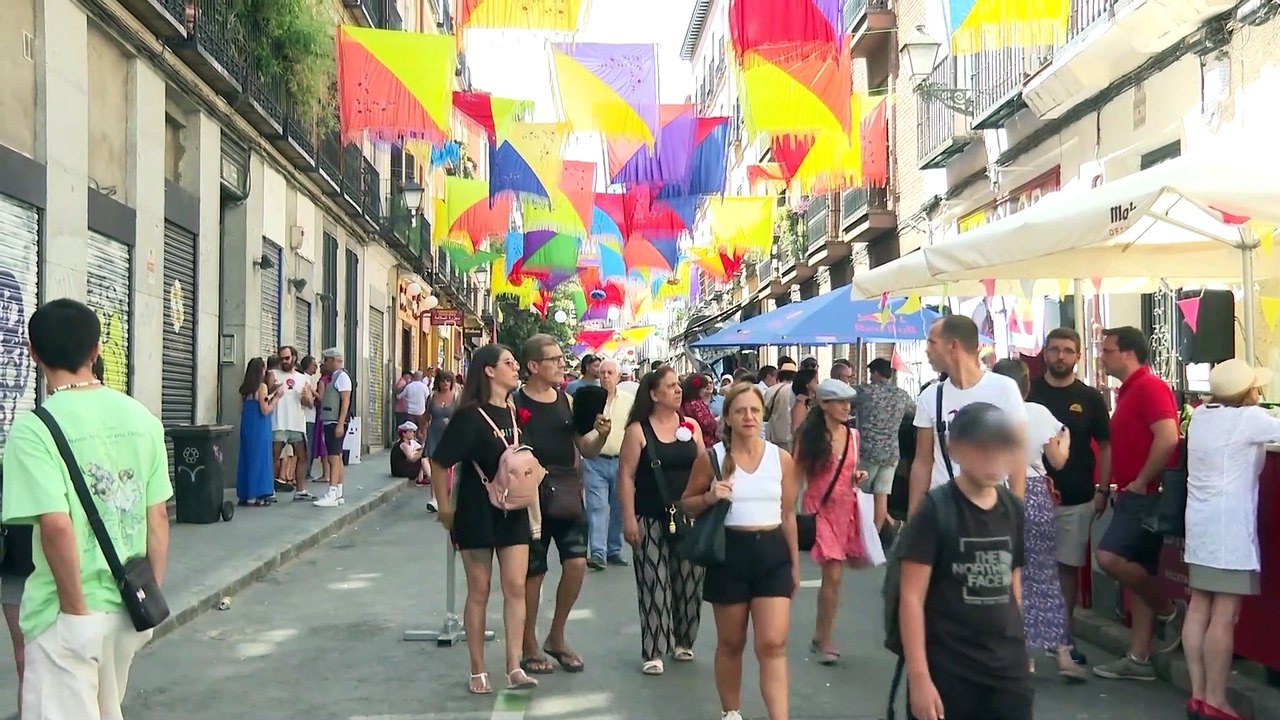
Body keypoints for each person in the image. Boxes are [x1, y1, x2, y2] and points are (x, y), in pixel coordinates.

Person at [2, 298, 172, 719]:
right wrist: (149, 596)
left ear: (33, 352)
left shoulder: (33, 428)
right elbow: (158, 517)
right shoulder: (143, 419)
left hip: (66, 613)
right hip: (126, 608)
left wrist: (75, 613)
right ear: (96, 350)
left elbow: (56, 527)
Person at [900, 402, 1031, 720]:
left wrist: (1023, 652)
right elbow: (911, 597)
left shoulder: (1013, 510)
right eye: (982, 447)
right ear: (954, 450)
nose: (993, 457)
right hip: (950, 671)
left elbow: (1013, 583)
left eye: (1001, 447)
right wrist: (919, 678)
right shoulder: (935, 511)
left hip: (1006, 672)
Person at [681, 383, 799, 720]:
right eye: (741, 411)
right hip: (729, 552)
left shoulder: (782, 459)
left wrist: (793, 565)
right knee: (731, 642)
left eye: (755, 411)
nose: (749, 417)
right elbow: (685, 504)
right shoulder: (712, 457)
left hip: (771, 552)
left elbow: (788, 514)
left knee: (773, 643)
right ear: (728, 417)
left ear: (763, 416)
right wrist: (709, 497)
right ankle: (731, 712)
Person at [428, 344, 536, 694]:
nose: (516, 367)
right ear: (488, 371)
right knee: (480, 588)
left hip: (514, 510)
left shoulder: (514, 410)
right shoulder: (469, 416)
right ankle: (477, 669)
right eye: (508, 363)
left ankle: (514, 666)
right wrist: (445, 508)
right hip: (476, 510)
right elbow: (440, 461)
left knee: (516, 586)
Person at [1182, 359, 1280, 720]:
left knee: (1198, 607)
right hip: (1229, 529)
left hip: (1199, 524)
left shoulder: (1202, 416)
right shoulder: (1249, 420)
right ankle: (1216, 699)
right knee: (1224, 613)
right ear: (1249, 391)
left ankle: (1197, 694)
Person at [515, 335, 612, 677]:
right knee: (534, 573)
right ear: (533, 366)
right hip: (530, 498)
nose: (560, 364)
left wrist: (600, 434)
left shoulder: (567, 401)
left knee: (576, 565)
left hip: (568, 491)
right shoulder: (515, 402)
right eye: (553, 359)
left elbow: (586, 448)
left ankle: (556, 635)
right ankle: (528, 644)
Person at [1092, 326, 1183, 681]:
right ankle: (1139, 657)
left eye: (1107, 350)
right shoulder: (1129, 392)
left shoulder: (1150, 387)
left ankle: (1169, 610)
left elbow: (1168, 436)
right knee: (1138, 568)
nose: (1102, 357)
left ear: (1127, 353)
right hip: (1133, 491)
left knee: (1110, 557)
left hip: (1147, 493)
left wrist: (1143, 480)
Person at [992, 359, 1085, 681]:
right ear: (1025, 385)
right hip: (1033, 493)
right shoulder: (1038, 413)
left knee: (1002, 577)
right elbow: (1057, 461)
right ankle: (1061, 652)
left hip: (993, 493)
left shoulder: (983, 414)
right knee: (1043, 573)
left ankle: (1021, 655)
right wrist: (1067, 440)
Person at [1026, 327, 1110, 666]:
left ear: (1078, 356)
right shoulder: (1027, 391)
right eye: (1054, 349)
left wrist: (1103, 489)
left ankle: (1063, 638)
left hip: (1076, 496)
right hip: (1028, 493)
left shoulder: (1090, 398)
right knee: (1029, 569)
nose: (1060, 356)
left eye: (1067, 350)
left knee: (1067, 569)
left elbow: (1105, 446)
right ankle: (1028, 641)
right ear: (1044, 353)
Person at [617, 367, 706, 675]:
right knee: (653, 581)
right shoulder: (638, 430)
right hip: (650, 515)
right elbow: (626, 476)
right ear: (654, 395)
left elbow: (703, 468)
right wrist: (628, 518)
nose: (677, 390)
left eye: (678, 385)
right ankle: (654, 648)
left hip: (689, 515)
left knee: (690, 580)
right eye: (670, 386)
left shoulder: (691, 426)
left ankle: (684, 640)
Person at [909, 316, 1028, 516]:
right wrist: (914, 517)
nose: (927, 350)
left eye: (932, 342)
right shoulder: (930, 396)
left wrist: (1015, 514)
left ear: (953, 346)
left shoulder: (1003, 389)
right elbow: (922, 461)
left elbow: (1016, 456)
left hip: (990, 510)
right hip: (943, 511)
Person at [793, 379, 869, 666]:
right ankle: (824, 640)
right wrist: (785, 512)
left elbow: (850, 470)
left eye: (848, 401)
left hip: (846, 510)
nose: (846, 406)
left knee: (835, 580)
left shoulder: (853, 436)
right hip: (820, 510)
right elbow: (797, 475)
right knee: (833, 574)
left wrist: (857, 476)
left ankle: (821, 635)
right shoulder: (810, 437)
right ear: (824, 404)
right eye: (839, 401)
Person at [853, 358, 916, 536]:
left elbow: (841, 396)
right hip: (891, 453)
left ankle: (860, 536)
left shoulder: (865, 391)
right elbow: (915, 413)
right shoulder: (902, 395)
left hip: (868, 451)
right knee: (882, 496)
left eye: (871, 373)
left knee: (861, 496)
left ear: (875, 373)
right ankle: (875, 535)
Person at [584, 359, 635, 570]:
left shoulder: (629, 401)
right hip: (595, 460)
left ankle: (614, 549)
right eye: (602, 373)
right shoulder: (589, 399)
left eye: (610, 373)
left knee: (618, 507)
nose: (605, 377)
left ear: (617, 376)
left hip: (621, 462)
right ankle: (598, 552)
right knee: (596, 507)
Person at [237, 357, 282, 506]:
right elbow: (264, 410)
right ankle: (257, 494)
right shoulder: (261, 387)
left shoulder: (245, 389)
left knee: (247, 458)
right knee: (260, 459)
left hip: (247, 426)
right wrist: (276, 398)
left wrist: (271, 392)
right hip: (260, 427)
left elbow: (246, 409)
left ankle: (246, 493)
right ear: (261, 370)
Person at [315, 348, 353, 508]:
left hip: (334, 422)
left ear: (333, 360)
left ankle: (332, 492)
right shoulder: (335, 377)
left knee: (333, 457)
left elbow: (345, 401)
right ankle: (338, 492)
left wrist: (340, 423)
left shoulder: (342, 377)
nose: (324, 364)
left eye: (326, 360)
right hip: (331, 421)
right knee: (336, 456)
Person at [422, 371, 459, 512]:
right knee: (435, 468)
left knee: (450, 469)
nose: (445, 384)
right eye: (442, 381)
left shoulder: (456, 397)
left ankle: (449, 499)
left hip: (450, 436)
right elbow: (426, 415)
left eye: (448, 381)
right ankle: (434, 499)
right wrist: (421, 429)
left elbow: (462, 415)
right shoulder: (432, 397)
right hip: (434, 435)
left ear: (451, 382)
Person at [390, 421, 428, 485]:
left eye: (413, 432)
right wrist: (422, 451)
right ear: (404, 434)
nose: (413, 433)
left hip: (403, 468)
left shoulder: (408, 443)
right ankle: (428, 477)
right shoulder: (403, 444)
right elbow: (412, 458)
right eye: (410, 432)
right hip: (400, 471)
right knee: (422, 458)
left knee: (422, 458)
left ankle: (421, 478)